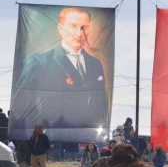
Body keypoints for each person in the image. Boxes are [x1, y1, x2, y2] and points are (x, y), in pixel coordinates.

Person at [11, 7, 108, 137]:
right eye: (73, 26)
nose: (79, 33)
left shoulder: (95, 64)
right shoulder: (39, 62)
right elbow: (21, 106)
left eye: (84, 27)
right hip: (50, 137)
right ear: (60, 29)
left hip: (86, 137)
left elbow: (101, 105)